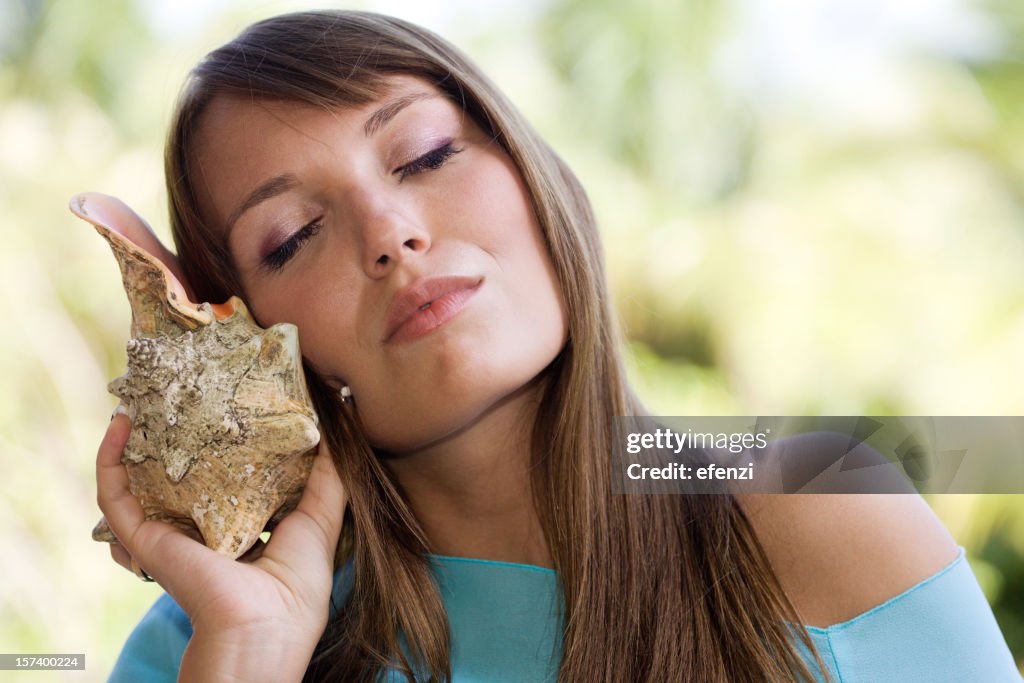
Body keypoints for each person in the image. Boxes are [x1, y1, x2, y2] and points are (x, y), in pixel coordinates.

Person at [94, 9, 1020, 682]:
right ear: (248, 331)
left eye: (423, 154)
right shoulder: (201, 642)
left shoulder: (815, 497)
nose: (391, 231)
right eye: (292, 235)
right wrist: (250, 657)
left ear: (532, 172)